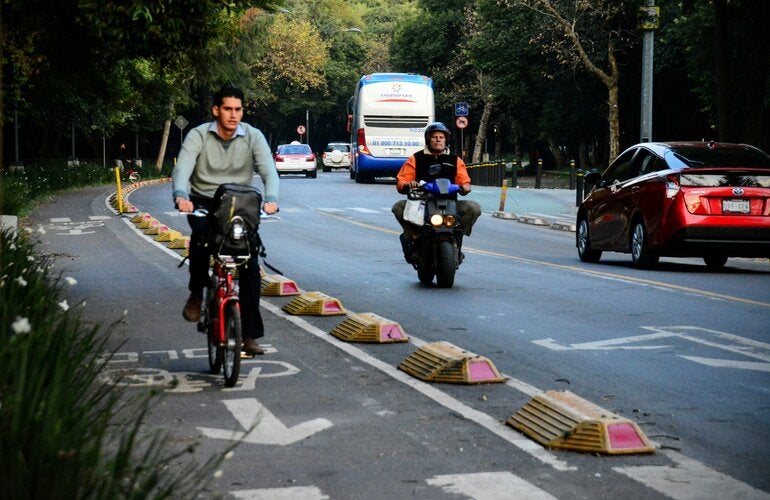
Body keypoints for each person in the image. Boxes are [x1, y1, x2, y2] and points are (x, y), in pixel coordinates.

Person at [172, 85, 279, 356]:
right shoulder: (199, 135)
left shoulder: (253, 136)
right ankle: (197, 292)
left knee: (250, 265)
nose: (233, 115)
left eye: (238, 109)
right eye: (228, 109)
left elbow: (269, 170)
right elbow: (183, 167)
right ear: (216, 110)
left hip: (240, 203)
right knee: (200, 241)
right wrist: (181, 195)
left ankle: (249, 335)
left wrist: (271, 198)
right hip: (204, 202)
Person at [392, 122, 481, 262]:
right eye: (434, 137)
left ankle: (457, 236)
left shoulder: (455, 160)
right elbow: (402, 180)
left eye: (441, 137)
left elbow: (464, 179)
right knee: (398, 207)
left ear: (446, 140)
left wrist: (465, 186)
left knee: (474, 208)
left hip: (450, 203)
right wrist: (407, 184)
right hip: (422, 203)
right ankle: (413, 236)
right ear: (428, 139)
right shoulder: (416, 158)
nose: (438, 140)